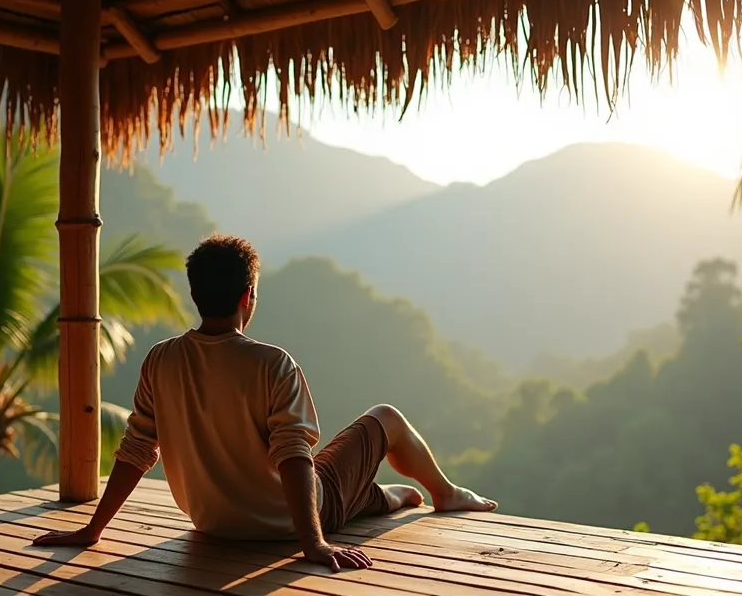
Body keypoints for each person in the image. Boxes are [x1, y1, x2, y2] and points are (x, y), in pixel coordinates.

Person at [31, 234, 496, 571]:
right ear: (246, 297)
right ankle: (445, 494)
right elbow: (294, 457)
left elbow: (136, 451)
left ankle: (390, 497)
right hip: (291, 521)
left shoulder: (161, 359)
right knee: (386, 419)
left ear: (195, 294)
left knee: (373, 493)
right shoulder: (272, 363)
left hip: (214, 524)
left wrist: (93, 530)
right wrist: (313, 543)